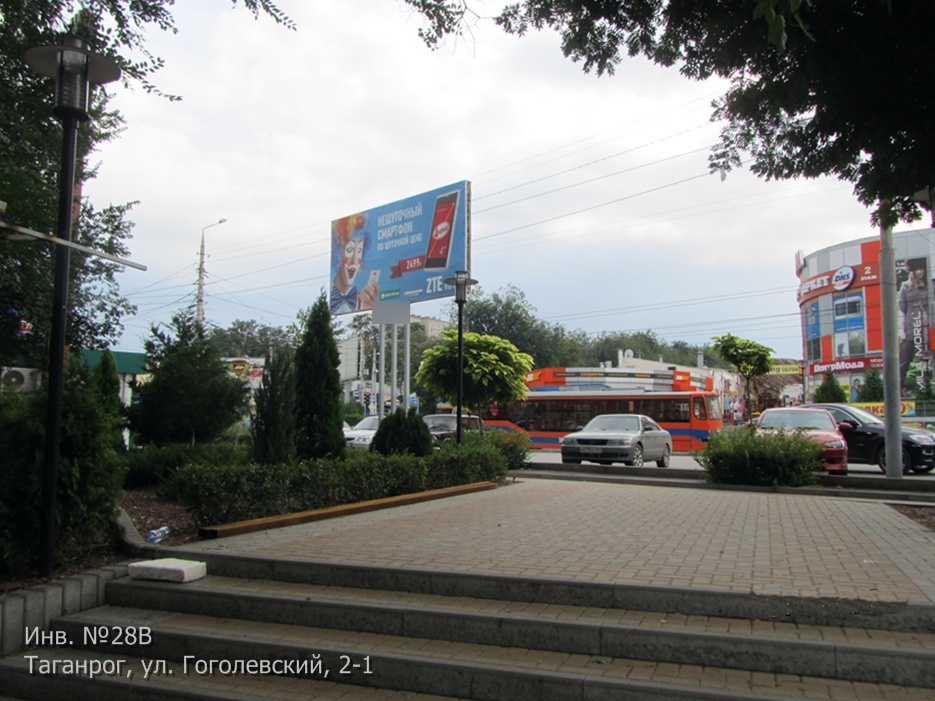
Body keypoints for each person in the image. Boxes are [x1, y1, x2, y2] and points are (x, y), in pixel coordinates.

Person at [330, 213, 379, 314]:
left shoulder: (364, 302)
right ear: (338, 253)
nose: (355, 260)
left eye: (359, 251)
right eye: (349, 250)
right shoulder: (325, 302)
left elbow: (382, 328)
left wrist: (371, 312)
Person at [898, 257, 929, 390]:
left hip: (927, 327)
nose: (920, 272)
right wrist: (902, 330)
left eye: (922, 269)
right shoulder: (906, 287)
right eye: (917, 269)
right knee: (904, 358)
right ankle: (900, 387)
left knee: (927, 357)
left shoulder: (929, 285)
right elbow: (901, 309)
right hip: (910, 327)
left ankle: (926, 385)